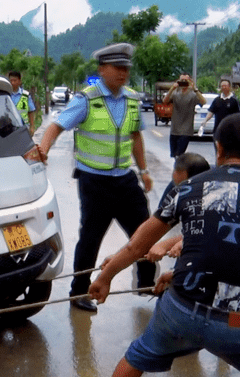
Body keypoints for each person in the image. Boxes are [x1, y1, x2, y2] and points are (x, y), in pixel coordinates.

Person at [87, 113, 240, 377]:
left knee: (139, 353)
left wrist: (105, 277)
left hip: (182, 311)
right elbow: (239, 252)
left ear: (218, 148)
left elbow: (138, 245)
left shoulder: (189, 187)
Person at [38, 43, 154, 312]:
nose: (123, 73)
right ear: (102, 69)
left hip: (125, 179)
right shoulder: (86, 99)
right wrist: (43, 148)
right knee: (91, 238)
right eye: (117, 67)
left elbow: (135, 136)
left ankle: (146, 283)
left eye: (126, 68)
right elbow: (56, 126)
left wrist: (144, 171)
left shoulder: (133, 100)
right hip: (95, 182)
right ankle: (79, 292)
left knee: (145, 232)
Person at [145, 152, 211, 262]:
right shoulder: (178, 189)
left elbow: (209, 233)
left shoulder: (217, 194)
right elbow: (158, 221)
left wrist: (168, 244)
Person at [162, 74, 205, 157]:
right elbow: (165, 101)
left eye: (186, 81)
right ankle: (177, 168)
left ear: (190, 81)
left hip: (186, 130)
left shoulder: (193, 94)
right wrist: (172, 88)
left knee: (179, 154)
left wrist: (195, 89)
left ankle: (179, 169)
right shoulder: (175, 93)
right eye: (182, 80)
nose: (184, 82)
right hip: (174, 129)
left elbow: (203, 102)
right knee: (174, 155)